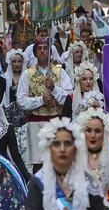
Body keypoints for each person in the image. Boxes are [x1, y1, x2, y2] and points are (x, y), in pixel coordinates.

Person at [17, 37, 73, 169]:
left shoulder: (61, 73)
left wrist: (54, 89)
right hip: (35, 123)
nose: (42, 51)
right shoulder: (27, 74)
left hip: (56, 122)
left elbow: (69, 97)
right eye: (39, 48)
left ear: (51, 52)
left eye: (45, 48)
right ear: (35, 53)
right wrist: (41, 100)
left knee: (57, 160)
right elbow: (21, 100)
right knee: (39, 162)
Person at [1, 49, 29, 166]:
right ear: (10, 63)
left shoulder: (28, 77)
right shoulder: (4, 78)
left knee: (24, 144)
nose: (17, 64)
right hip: (9, 116)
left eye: (19, 61)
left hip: (24, 115)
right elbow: (0, 98)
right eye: (14, 61)